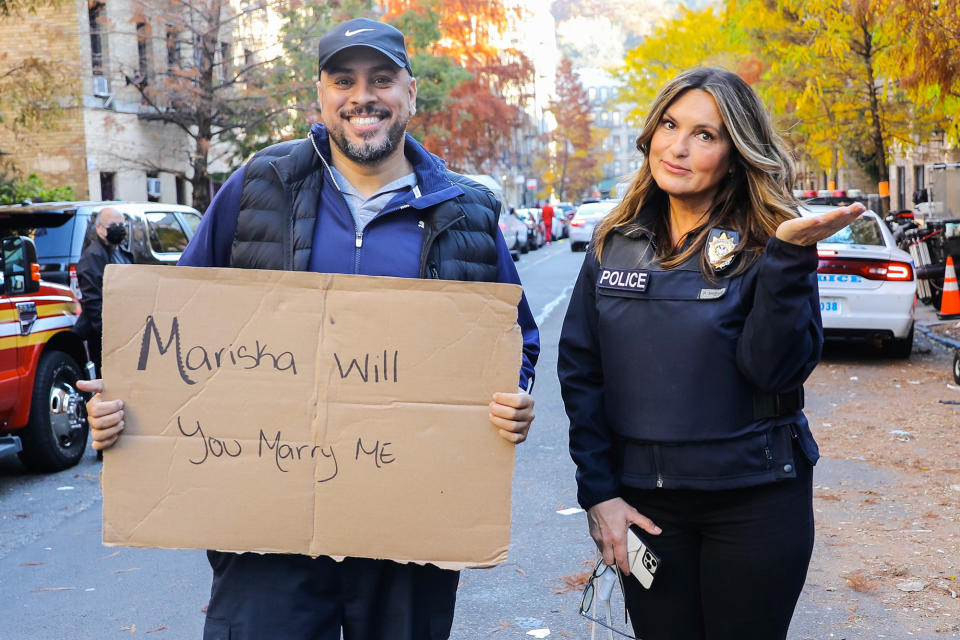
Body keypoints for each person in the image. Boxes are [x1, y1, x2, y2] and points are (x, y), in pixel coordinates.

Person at [78, 17, 538, 640]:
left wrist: (510, 399)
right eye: (343, 80)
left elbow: (516, 339)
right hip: (267, 532)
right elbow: (176, 325)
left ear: (411, 92)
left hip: (409, 524)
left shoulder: (467, 210)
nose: (362, 97)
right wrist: (126, 402)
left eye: (381, 79)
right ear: (320, 94)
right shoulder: (259, 186)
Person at [557, 67, 864, 640]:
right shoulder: (612, 241)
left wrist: (789, 259)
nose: (678, 146)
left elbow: (775, 370)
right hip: (648, 508)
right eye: (670, 125)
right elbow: (582, 374)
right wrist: (598, 493)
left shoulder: (770, 241)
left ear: (736, 151)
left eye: (705, 134)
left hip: (755, 503)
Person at [73, 206, 133, 378]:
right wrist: (109, 332)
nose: (118, 228)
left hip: (126, 329)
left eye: (121, 224)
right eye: (112, 224)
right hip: (105, 335)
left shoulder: (121, 253)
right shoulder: (92, 257)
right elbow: (93, 301)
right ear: (98, 228)